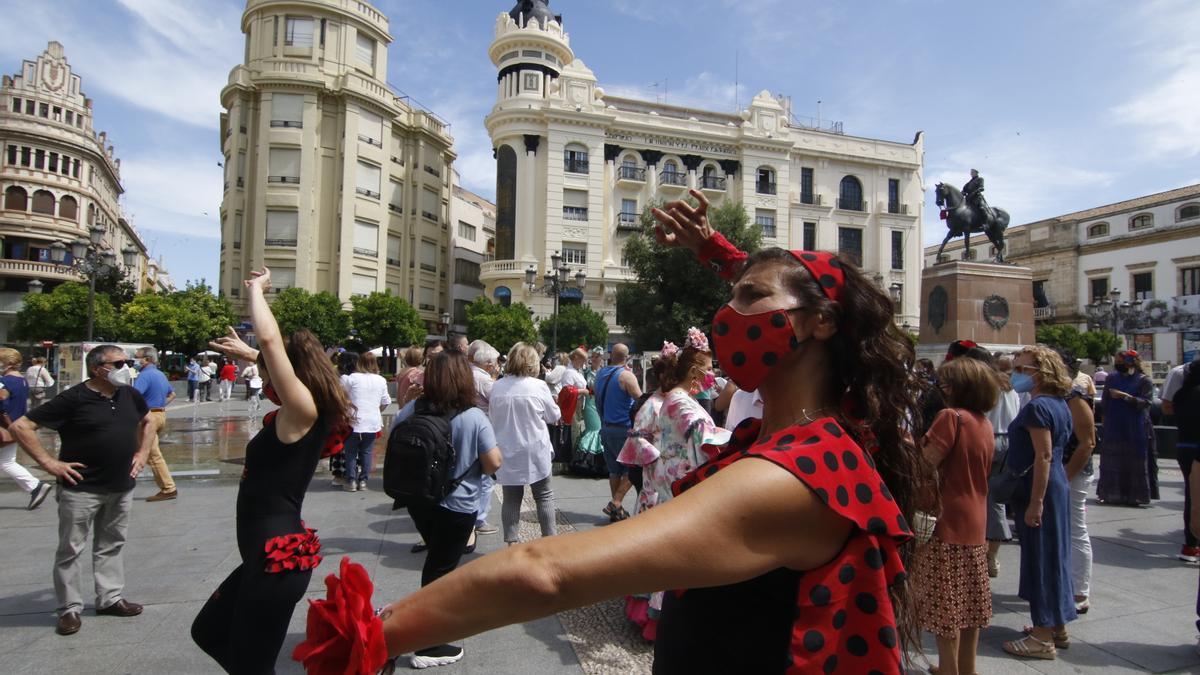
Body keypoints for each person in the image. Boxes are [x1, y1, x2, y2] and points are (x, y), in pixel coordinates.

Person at [299, 188, 929, 674]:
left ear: (820, 323)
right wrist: (718, 252)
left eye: (745, 297)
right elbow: (795, 290)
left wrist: (374, 633)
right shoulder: (812, 437)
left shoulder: (796, 475)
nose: (725, 315)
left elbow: (547, 571)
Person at [191, 269, 353, 672]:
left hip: (274, 560)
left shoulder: (303, 412)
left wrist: (256, 291)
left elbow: (269, 341)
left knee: (252, 664)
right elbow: (272, 358)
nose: (264, 381)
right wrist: (250, 356)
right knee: (208, 631)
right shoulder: (302, 408)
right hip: (266, 557)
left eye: (267, 371)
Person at [10, 344, 155, 636]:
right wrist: (50, 464)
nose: (124, 368)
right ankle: (69, 608)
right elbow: (22, 426)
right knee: (71, 549)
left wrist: (142, 453)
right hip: (81, 488)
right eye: (117, 364)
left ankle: (110, 598)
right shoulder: (73, 398)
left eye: (126, 362)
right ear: (96, 368)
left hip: (121, 485)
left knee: (112, 543)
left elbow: (149, 420)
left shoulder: (129, 394)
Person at [385, 350, 502, 668]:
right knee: (440, 571)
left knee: (437, 562)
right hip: (458, 504)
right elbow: (493, 463)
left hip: (419, 499)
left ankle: (414, 631)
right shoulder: (474, 416)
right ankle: (425, 643)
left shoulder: (409, 410)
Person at [619, 331, 729, 641]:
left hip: (667, 482)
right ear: (694, 371)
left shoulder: (675, 400)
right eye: (708, 369)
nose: (711, 375)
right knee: (671, 554)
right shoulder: (680, 403)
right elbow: (706, 439)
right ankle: (667, 621)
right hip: (673, 485)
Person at [912, 357, 997, 675]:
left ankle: (949, 669)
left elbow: (924, 464)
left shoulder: (950, 417)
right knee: (970, 603)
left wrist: (910, 446)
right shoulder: (983, 422)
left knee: (944, 602)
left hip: (945, 520)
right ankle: (967, 668)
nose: (941, 389)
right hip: (975, 519)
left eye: (945, 383)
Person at [1002, 346, 1077, 660]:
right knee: (1055, 554)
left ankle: (1042, 637)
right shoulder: (1059, 404)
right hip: (1056, 483)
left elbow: (1042, 455)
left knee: (1042, 557)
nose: (1015, 373)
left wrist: (1036, 502)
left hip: (1041, 486)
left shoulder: (1037, 408)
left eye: (1022, 368)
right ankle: (1056, 625)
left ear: (1042, 372)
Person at [489, 343, 561, 545]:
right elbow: (553, 414)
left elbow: (493, 416)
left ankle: (512, 541)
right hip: (534, 447)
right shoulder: (538, 386)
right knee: (544, 495)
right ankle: (550, 540)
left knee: (511, 497)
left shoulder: (497, 386)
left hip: (506, 447)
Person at [1096, 350, 1157, 506]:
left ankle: (1135, 495)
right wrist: (1105, 420)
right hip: (1114, 424)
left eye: (1121, 361)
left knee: (1135, 459)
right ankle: (1111, 493)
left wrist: (1125, 397)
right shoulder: (1111, 378)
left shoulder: (1144, 380)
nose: (1118, 364)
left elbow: (1146, 402)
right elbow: (1105, 402)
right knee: (1112, 458)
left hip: (1135, 425)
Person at [594, 343, 643, 522]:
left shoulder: (600, 374)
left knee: (614, 471)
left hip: (606, 428)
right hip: (624, 429)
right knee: (635, 468)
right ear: (627, 357)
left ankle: (617, 510)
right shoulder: (626, 376)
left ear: (610, 355)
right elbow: (640, 400)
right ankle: (616, 502)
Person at [0, 349, 52, 509]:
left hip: (4, 427)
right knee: (7, 462)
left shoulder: (4, 381)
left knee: (6, 462)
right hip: (16, 427)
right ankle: (36, 486)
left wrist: (7, 420)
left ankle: (36, 486)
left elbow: (2, 403)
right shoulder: (22, 380)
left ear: (7, 363)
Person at [984, 356, 1021, 578]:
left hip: (990, 438)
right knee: (995, 498)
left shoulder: (989, 388)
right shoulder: (1013, 391)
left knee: (981, 493)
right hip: (1009, 440)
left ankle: (985, 553)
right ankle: (992, 555)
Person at [340, 351, 391, 493]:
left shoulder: (352, 378)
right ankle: (363, 480)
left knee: (350, 452)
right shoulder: (381, 380)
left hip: (354, 420)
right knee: (367, 451)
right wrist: (376, 410)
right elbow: (385, 401)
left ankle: (351, 481)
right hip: (372, 421)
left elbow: (342, 397)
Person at [1165, 359, 1200, 562]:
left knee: (1191, 495)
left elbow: (1167, 409)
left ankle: (1190, 544)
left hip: (1185, 446)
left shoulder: (1182, 394)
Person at [133, 347, 178, 503]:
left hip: (147, 418)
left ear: (147, 359)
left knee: (152, 454)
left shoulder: (144, 376)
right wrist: (160, 406)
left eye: (137, 357)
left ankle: (168, 488)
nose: (135, 361)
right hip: (159, 415)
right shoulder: (160, 374)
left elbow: (134, 396)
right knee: (136, 449)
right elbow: (172, 394)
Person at [467, 341, 501, 536]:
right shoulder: (484, 379)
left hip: (466, 425)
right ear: (488, 363)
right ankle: (479, 518)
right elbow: (497, 401)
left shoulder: (466, 372)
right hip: (483, 427)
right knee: (486, 475)